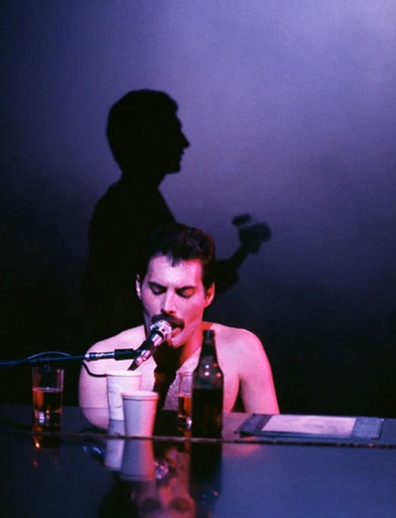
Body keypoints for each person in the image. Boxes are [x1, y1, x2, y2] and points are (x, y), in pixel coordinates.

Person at [80, 88, 272, 344]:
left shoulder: (133, 203)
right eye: (173, 131)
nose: (184, 142)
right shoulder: (131, 207)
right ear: (148, 138)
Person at [79, 223, 280, 421]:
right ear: (139, 287)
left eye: (184, 293)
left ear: (208, 295)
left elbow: (272, 444)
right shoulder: (101, 363)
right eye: (157, 290)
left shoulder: (242, 350)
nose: (167, 305)